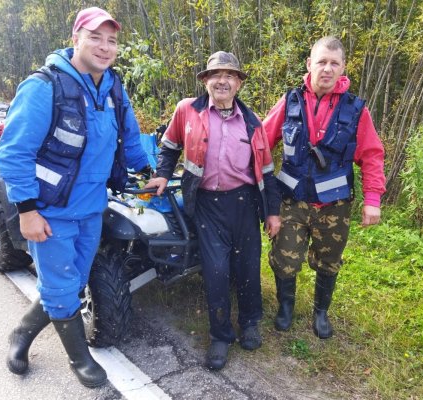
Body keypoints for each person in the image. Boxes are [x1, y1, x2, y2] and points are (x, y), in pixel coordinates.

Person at [0, 7, 151, 388]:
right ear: (75, 38)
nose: (104, 46)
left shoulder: (113, 86)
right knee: (63, 288)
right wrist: (27, 211)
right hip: (50, 212)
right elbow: (12, 154)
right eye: (95, 37)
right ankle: (80, 360)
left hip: (92, 208)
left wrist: (147, 172)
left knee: (72, 282)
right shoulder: (44, 86)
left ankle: (22, 332)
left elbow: (129, 137)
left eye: (112, 40)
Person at [144, 51, 282, 370]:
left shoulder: (253, 122)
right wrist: (163, 173)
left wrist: (272, 213)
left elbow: (268, 171)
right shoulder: (186, 111)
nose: (223, 80)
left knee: (247, 268)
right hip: (207, 205)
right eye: (216, 75)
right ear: (205, 81)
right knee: (216, 272)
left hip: (245, 203)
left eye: (230, 75)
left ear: (238, 84)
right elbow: (169, 146)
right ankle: (221, 336)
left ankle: (249, 323)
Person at [263, 36, 386, 339]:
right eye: (321, 62)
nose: (327, 69)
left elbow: (372, 154)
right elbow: (262, 143)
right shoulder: (290, 101)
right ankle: (286, 308)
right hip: (292, 201)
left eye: (334, 63)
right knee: (285, 260)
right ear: (309, 64)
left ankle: (321, 313)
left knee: (329, 262)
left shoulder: (356, 110)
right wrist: (254, 186)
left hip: (335, 206)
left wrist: (373, 199)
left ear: (343, 68)